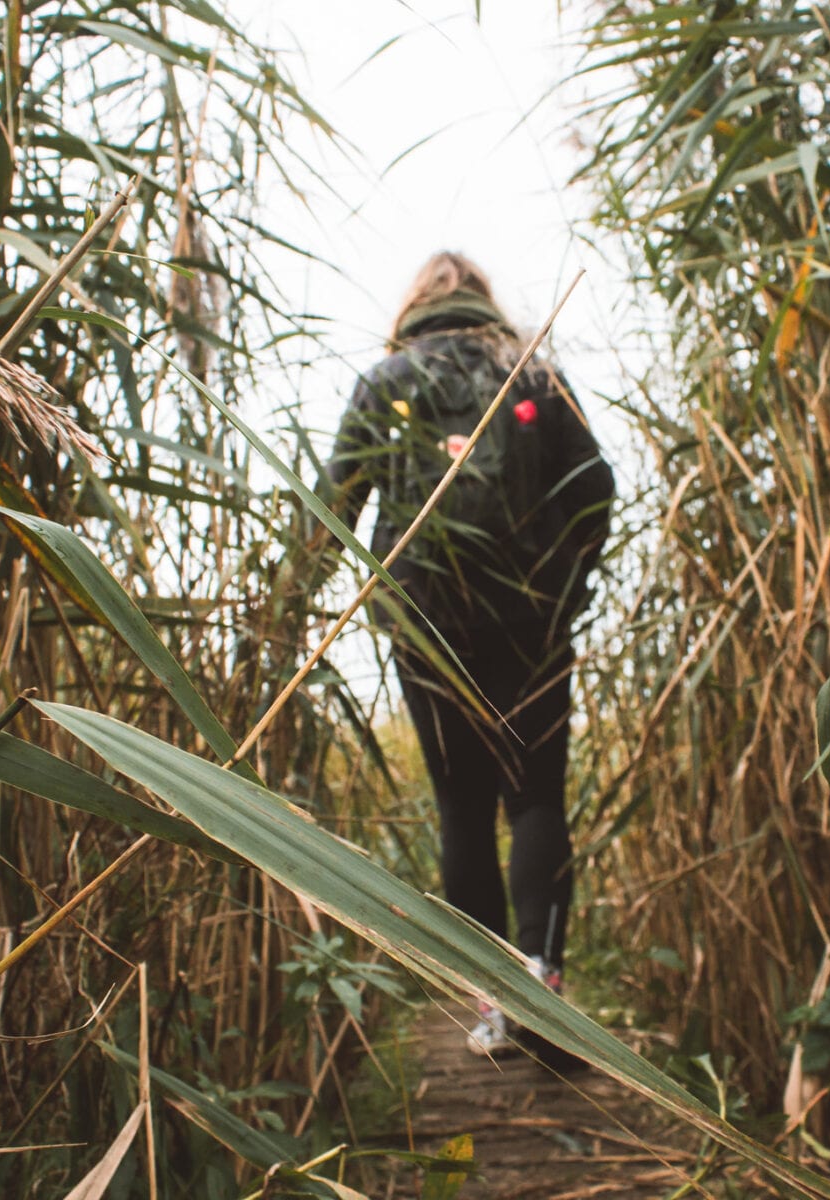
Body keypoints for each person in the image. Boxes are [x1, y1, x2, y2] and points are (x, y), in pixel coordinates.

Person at [322, 252, 614, 1058]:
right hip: (532, 623)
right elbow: (597, 490)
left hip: (426, 622)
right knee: (535, 799)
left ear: (414, 305)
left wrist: (298, 606)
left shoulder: (385, 381)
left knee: (462, 808)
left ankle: (493, 1006)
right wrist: (566, 584)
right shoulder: (534, 375)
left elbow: (334, 505)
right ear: (484, 302)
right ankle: (544, 985)